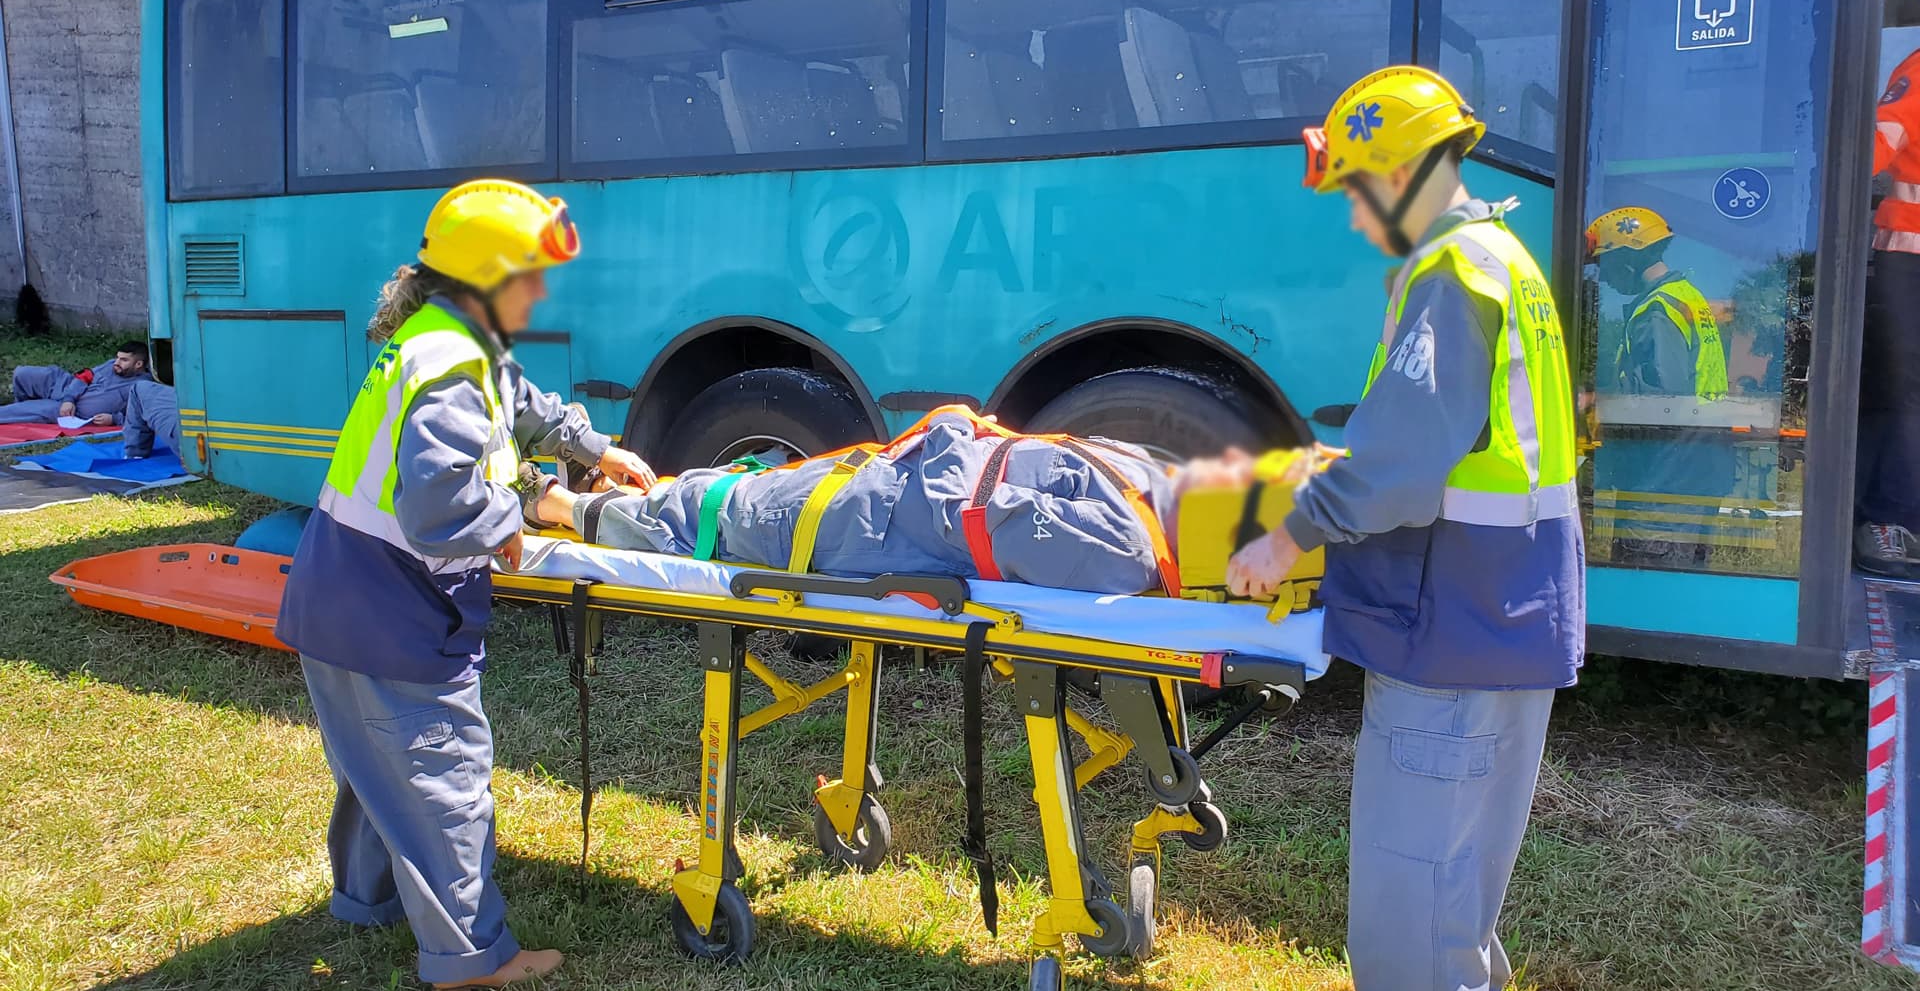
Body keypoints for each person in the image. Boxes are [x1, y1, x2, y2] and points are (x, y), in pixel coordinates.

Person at [1227, 67, 1584, 991]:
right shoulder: (1505, 265)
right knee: (1464, 852)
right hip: (1507, 608)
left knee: (1412, 861)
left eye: (1350, 188)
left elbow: (1402, 468)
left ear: (1396, 172)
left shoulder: (1450, 273)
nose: (1349, 212)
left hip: (1456, 620)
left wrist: (1285, 533)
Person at [276, 180, 656, 991]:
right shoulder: (451, 363)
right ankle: (470, 960)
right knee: (444, 775)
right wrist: (515, 516)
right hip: (394, 611)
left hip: (332, 596)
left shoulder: (445, 338)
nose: (544, 291)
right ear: (489, 280)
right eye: (532, 275)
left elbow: (521, 403)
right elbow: (441, 500)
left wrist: (590, 449)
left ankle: (365, 902)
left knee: (375, 769)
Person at [511, 412, 1332, 601]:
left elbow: (990, 522)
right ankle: (576, 502)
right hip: (884, 490)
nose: (1232, 464)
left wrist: (948, 442)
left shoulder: (1129, 531)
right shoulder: (1140, 498)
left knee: (721, 516)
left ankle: (557, 506)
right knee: (723, 505)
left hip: (870, 518)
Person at [1585, 207, 1735, 565]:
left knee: (1643, 593)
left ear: (1628, 260)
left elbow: (1660, 402)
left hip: (1661, 481)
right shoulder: (1689, 298)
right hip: (1699, 473)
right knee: (1684, 594)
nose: (1603, 279)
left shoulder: (1655, 312)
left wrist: (1596, 402)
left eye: (1605, 265)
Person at [1856, 46, 1920, 577]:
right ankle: (1885, 521)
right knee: (1903, 393)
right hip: (1910, 255)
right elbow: (1879, 140)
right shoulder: (1919, 69)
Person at [0, 339, 151, 426]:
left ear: (138, 364)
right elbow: (85, 375)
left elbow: (143, 418)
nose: (117, 362)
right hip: (66, 387)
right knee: (23, 373)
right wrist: (68, 398)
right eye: (117, 357)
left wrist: (115, 419)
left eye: (124, 360)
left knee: (25, 410)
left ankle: (20, 410)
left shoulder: (144, 386)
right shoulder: (113, 364)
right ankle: (20, 405)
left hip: (72, 413)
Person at [121, 378, 179, 459]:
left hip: (192, 443)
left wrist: (115, 418)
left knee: (139, 388)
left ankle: (135, 454)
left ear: (138, 364)